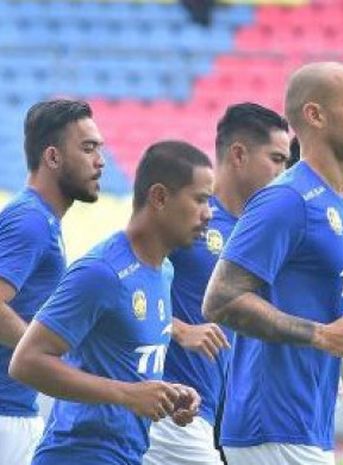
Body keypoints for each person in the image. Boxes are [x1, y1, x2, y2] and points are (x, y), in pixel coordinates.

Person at [202, 61, 343, 465]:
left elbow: (331, 316)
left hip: (308, 419)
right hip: (270, 422)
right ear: (315, 115)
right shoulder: (286, 199)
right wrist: (320, 335)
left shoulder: (342, 206)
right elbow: (220, 300)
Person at [9, 141, 211, 465]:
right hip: (77, 455)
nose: (208, 213)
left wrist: (167, 395)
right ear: (159, 197)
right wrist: (128, 395)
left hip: (127, 455)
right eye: (200, 199)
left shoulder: (164, 271)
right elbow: (27, 362)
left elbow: (121, 365)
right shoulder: (102, 271)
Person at [142, 103, 291, 465]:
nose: (284, 172)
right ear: (239, 154)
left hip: (209, 412)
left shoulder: (257, 233)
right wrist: (179, 330)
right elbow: (117, 284)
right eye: (276, 159)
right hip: (166, 405)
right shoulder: (187, 216)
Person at [0, 99, 105, 465]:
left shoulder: (43, 221)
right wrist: (46, 354)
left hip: (17, 411)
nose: (100, 161)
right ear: (53, 158)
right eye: (88, 148)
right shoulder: (29, 221)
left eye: (100, 149)